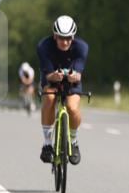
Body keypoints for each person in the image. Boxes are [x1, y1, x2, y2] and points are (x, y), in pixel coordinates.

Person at [36, 15, 89, 165]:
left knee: (72, 107)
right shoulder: (43, 46)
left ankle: (73, 141)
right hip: (51, 77)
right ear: (55, 35)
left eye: (68, 38)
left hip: (72, 80)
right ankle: (47, 144)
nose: (65, 42)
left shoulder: (82, 47)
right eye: (61, 38)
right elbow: (47, 74)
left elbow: (78, 75)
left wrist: (74, 77)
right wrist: (54, 76)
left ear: (73, 37)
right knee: (50, 98)